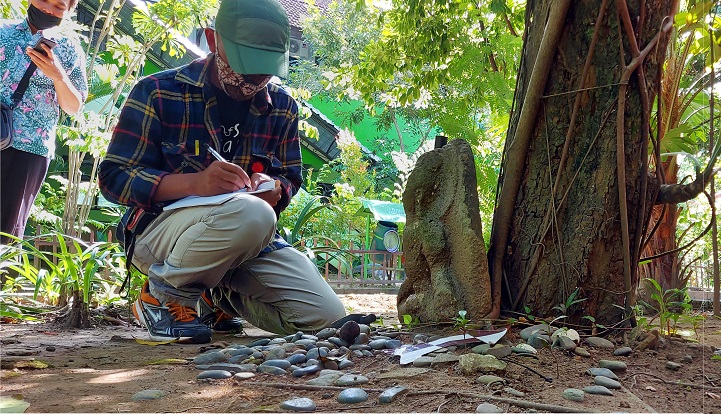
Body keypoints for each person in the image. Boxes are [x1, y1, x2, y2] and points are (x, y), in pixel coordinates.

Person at [98, 0, 346, 344]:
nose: (255, 79)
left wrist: (274, 187)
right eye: (247, 64)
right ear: (214, 41)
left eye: (265, 69)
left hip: (246, 238)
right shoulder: (157, 91)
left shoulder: (283, 107)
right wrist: (194, 184)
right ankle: (163, 296)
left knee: (326, 319)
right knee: (253, 213)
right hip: (160, 237)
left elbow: (289, 177)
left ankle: (210, 296)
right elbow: (114, 178)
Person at [0, 0, 87, 244]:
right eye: (44, 1)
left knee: (5, 234)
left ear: (69, 12)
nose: (49, 10)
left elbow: (73, 106)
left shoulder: (69, 49)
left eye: (59, 6)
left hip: (30, 149)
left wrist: (58, 75)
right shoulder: (2, 32)